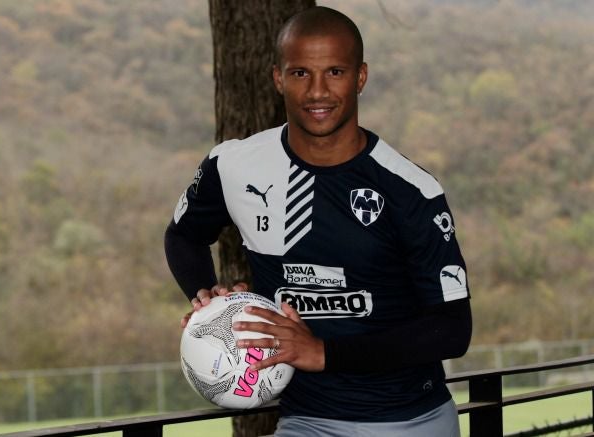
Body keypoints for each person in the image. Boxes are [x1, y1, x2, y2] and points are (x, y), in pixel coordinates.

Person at [164, 6, 471, 436]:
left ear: (360, 77)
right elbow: (183, 235)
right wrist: (208, 301)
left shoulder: (410, 190)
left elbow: (452, 330)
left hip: (410, 420)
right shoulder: (235, 166)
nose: (317, 92)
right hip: (306, 420)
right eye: (300, 73)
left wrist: (324, 352)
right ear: (278, 78)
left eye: (335, 72)